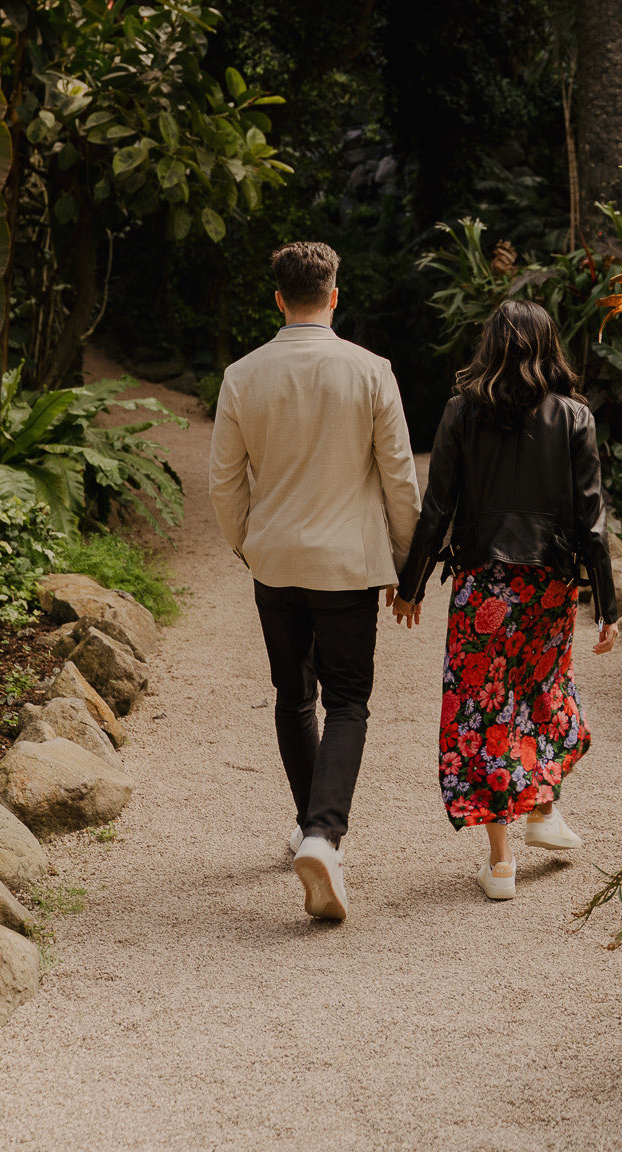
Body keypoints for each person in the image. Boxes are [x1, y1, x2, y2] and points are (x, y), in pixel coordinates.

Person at [208, 240, 421, 926]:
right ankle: (324, 834)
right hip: (347, 566)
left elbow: (223, 481)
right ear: (333, 295)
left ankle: (310, 828)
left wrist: (247, 544)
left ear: (279, 299)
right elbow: (399, 476)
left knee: (293, 695)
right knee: (348, 700)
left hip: (274, 561)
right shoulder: (371, 371)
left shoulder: (242, 375)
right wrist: (406, 562)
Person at [392, 299, 618, 901]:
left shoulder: (461, 412)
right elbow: (592, 517)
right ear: (549, 346)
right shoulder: (575, 415)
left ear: (489, 346)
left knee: (484, 708)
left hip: (484, 586)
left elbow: (437, 507)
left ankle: (501, 863)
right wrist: (608, 605)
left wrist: (412, 585)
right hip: (549, 585)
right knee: (544, 691)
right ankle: (543, 811)